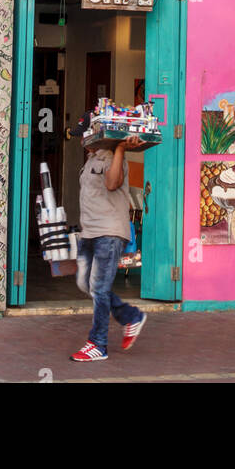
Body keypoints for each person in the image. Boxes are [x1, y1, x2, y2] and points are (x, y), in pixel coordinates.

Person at [70, 123, 147, 362]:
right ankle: (130, 316)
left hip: (109, 232)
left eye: (82, 134)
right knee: (86, 283)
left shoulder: (113, 156)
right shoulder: (91, 158)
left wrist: (121, 150)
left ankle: (98, 344)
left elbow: (113, 183)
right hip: (90, 232)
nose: (80, 139)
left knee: (100, 288)